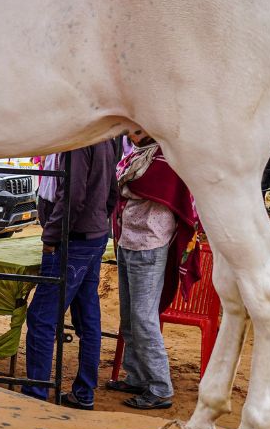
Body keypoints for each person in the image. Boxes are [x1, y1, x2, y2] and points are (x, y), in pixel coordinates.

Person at [21, 141, 119, 410]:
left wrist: (52, 236)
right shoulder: (104, 138)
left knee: (42, 317)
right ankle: (84, 392)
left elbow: (73, 196)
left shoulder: (79, 141)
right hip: (93, 235)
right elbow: (112, 190)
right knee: (87, 318)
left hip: (74, 240)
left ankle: (36, 393)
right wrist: (98, 219)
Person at [109, 128, 200, 410]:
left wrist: (122, 186)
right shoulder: (139, 154)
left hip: (149, 241)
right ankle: (136, 375)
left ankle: (160, 387)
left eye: (136, 129)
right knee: (129, 314)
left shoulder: (165, 158)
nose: (130, 134)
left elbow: (142, 186)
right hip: (128, 238)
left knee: (143, 317)